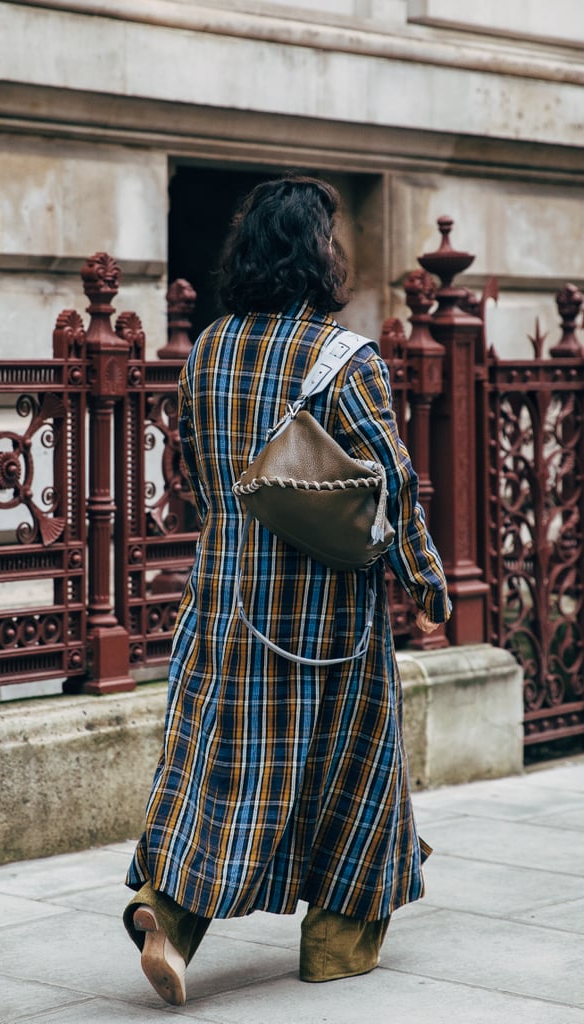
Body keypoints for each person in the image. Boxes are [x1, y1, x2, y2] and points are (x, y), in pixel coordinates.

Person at [123, 176, 451, 1006]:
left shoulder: (207, 348)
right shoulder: (345, 356)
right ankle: (336, 941)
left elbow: (196, 472)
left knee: (219, 765)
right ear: (319, 257)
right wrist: (425, 579)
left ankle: (166, 910)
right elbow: (393, 486)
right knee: (350, 761)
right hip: (325, 612)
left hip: (226, 601)